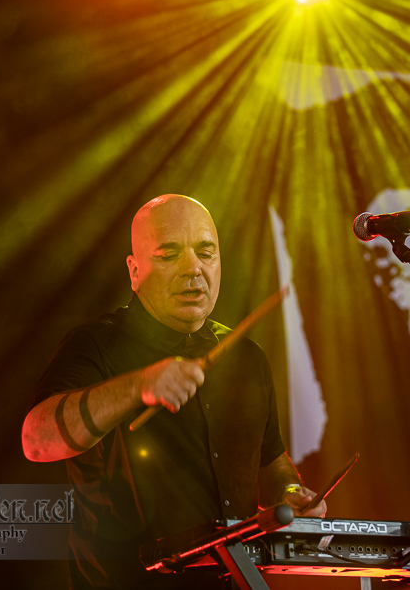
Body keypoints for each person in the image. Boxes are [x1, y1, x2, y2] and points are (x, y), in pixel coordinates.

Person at [22, 194, 325, 589]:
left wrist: (289, 491)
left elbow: (268, 460)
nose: (193, 268)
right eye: (169, 254)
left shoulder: (247, 357)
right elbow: (37, 440)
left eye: (206, 253)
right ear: (134, 272)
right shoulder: (94, 345)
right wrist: (138, 385)